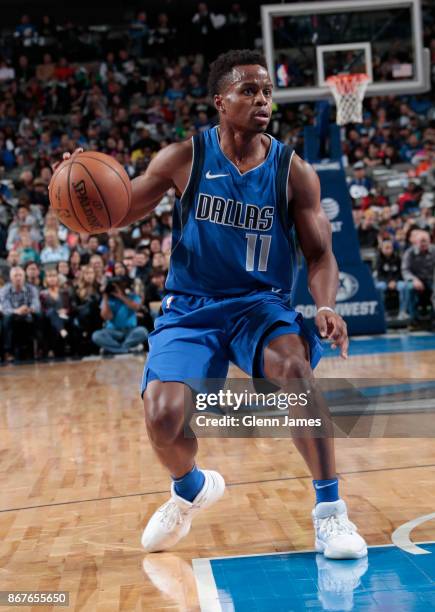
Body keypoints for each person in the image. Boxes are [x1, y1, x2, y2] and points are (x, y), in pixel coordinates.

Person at [59, 50, 366, 560]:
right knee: (161, 417)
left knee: (295, 370)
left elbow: (320, 255)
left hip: (258, 306)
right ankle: (190, 488)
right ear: (219, 101)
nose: (262, 100)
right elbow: (121, 209)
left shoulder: (294, 172)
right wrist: (79, 184)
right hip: (191, 307)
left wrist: (326, 305)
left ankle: (330, 512)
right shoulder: (185, 157)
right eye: (249, 91)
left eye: (266, 91)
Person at [91, 275, 148, 354]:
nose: (116, 288)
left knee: (143, 331)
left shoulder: (132, 296)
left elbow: (136, 308)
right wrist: (105, 296)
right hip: (112, 331)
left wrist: (121, 296)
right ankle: (126, 350)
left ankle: (115, 349)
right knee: (96, 336)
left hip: (130, 331)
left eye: (118, 285)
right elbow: (107, 317)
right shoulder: (107, 299)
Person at [0, 266, 41, 361]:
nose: (18, 278)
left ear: (24, 277)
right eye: (15, 276)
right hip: (12, 316)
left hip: (28, 314)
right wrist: (17, 311)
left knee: (39, 315)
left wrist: (29, 309)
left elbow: (36, 305)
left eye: (20, 275)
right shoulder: (4, 290)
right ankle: (8, 352)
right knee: (7, 318)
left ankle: (39, 349)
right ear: (11, 278)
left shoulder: (32, 289)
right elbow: (5, 308)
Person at [401, 230, 435, 326]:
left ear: (430, 241)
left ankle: (433, 318)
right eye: (421, 241)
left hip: (431, 279)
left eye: (426, 241)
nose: (424, 244)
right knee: (409, 288)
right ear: (416, 242)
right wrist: (414, 280)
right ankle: (413, 320)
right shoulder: (409, 253)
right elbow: (405, 270)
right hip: (415, 280)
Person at [375, 239, 409, 319]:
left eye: (390, 247)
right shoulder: (378, 259)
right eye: (386, 248)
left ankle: (402, 311)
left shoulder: (398, 258)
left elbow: (400, 272)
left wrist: (394, 281)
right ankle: (382, 312)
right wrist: (388, 282)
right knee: (379, 287)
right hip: (383, 281)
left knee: (405, 286)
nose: (388, 250)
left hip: (396, 281)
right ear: (382, 249)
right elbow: (379, 274)